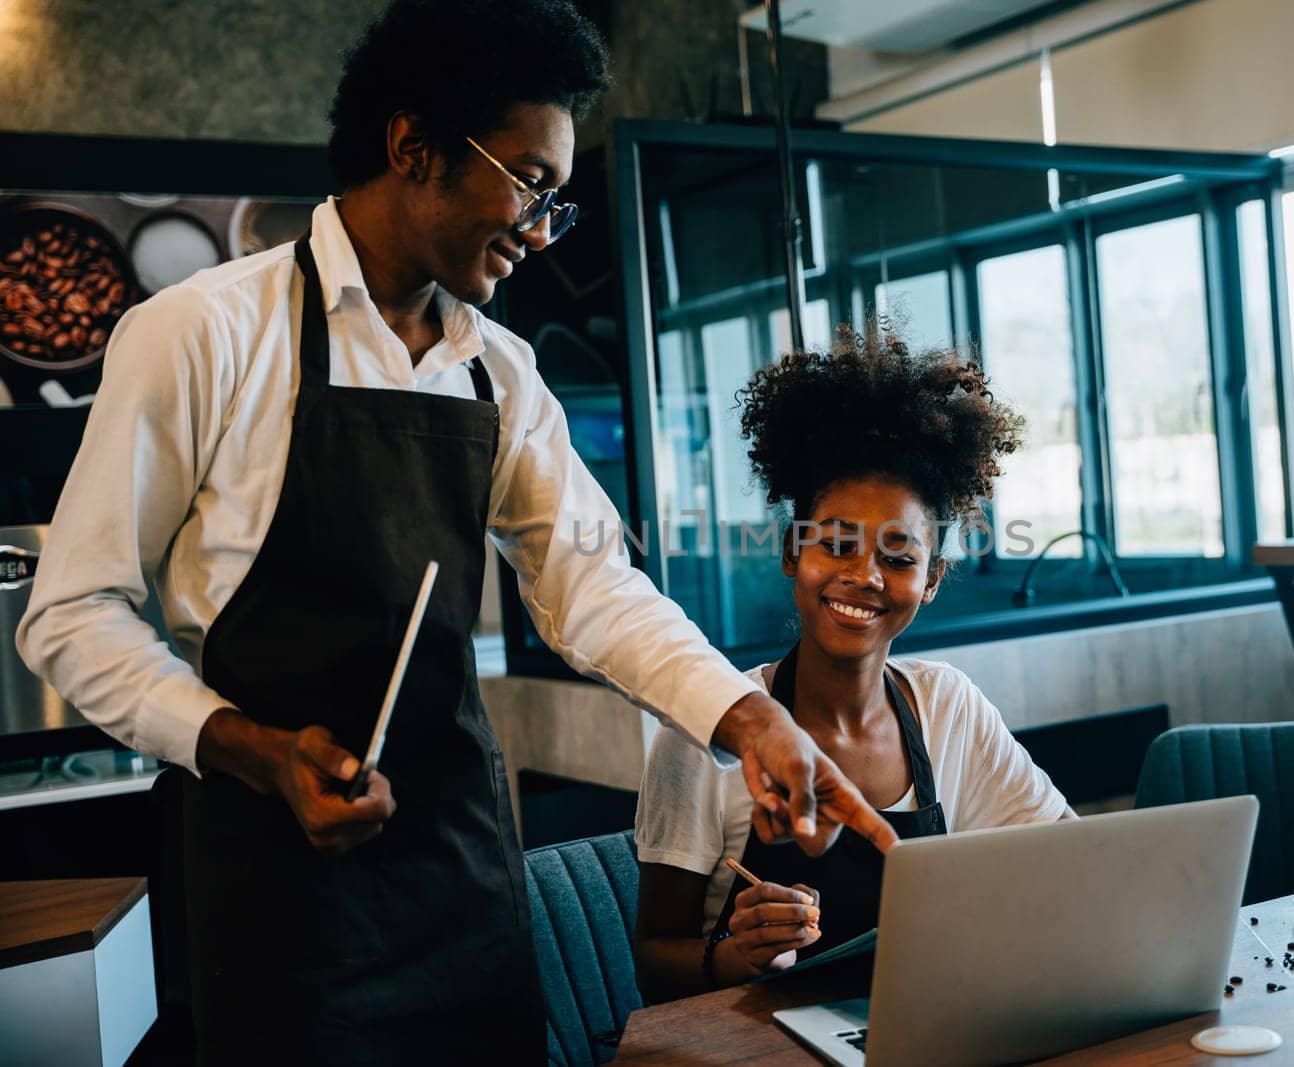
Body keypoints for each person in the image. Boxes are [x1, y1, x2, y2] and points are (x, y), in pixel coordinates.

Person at [16, 2, 891, 1061]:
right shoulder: (201, 333)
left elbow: (588, 586)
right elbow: (70, 614)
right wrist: (250, 748)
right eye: (531, 183)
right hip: (277, 888)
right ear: (413, 148)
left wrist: (751, 720)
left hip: (462, 879)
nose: (540, 228)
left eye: (554, 201)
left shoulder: (500, 370)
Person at [632, 323, 1076, 1002]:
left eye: (898, 558)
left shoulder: (947, 706)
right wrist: (732, 953)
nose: (863, 576)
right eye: (835, 545)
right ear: (791, 552)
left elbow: (1068, 861)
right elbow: (651, 961)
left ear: (931, 579)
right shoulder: (705, 735)